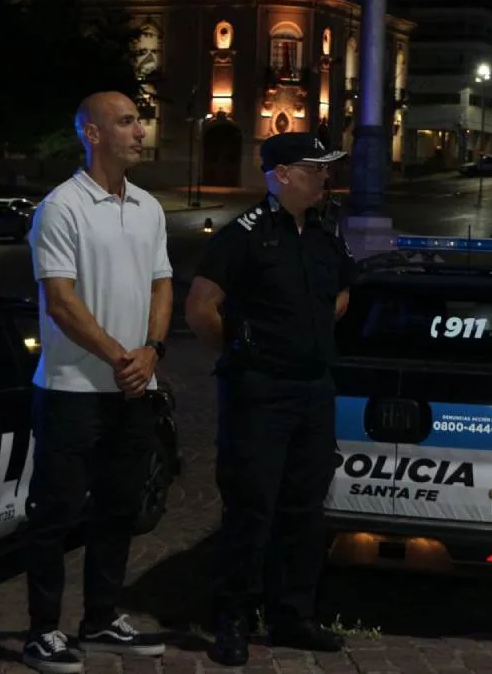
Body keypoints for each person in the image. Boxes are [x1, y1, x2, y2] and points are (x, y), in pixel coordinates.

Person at [184, 132, 355, 667]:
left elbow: (342, 291)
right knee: (250, 509)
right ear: (281, 175)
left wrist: (309, 332)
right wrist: (246, 353)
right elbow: (201, 309)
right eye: (315, 168)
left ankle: (292, 616)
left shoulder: (324, 232)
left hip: (314, 389)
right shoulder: (243, 235)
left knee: (304, 509)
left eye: (326, 168)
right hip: (259, 392)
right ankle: (232, 620)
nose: (325, 177)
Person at [22, 91, 171, 674]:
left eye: (139, 121)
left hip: (133, 390)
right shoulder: (61, 208)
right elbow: (61, 302)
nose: (139, 132)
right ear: (92, 133)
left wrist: (151, 351)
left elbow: (162, 284)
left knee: (118, 508)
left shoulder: (149, 206)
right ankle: (42, 630)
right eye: (127, 122)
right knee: (55, 513)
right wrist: (119, 356)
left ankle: (101, 617)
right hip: (70, 391)